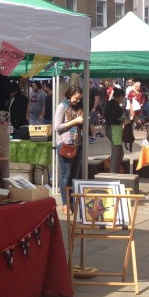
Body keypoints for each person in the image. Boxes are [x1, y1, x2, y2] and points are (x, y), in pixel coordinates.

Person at [54, 84, 84, 213]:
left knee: (74, 175)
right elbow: (57, 127)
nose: (78, 100)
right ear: (69, 95)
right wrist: (75, 121)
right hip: (65, 144)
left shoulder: (80, 108)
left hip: (78, 144)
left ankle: (71, 202)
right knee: (66, 175)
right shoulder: (62, 106)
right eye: (76, 98)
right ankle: (65, 204)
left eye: (80, 98)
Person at [104, 87, 128, 173]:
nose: (123, 99)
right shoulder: (116, 106)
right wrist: (122, 120)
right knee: (116, 153)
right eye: (123, 97)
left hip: (112, 129)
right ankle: (113, 172)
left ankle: (115, 170)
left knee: (119, 153)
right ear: (120, 96)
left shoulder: (110, 103)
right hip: (114, 129)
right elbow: (115, 119)